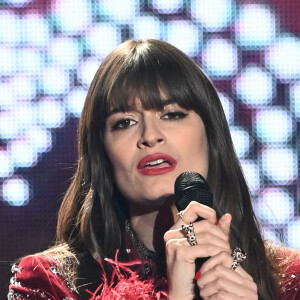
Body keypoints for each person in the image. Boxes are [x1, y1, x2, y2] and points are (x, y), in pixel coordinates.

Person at [8, 39, 300, 300]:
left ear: (212, 136)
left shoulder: (290, 280)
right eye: (125, 122)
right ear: (102, 154)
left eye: (172, 114)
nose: (150, 135)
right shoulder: (50, 283)